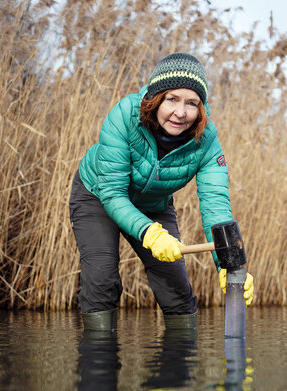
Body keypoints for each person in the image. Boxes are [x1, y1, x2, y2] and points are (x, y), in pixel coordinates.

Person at [69, 52, 254, 332]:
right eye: (172, 99)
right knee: (102, 281)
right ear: (156, 98)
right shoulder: (124, 117)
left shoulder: (207, 142)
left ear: (201, 108)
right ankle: (99, 364)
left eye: (192, 103)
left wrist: (227, 266)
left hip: (154, 204)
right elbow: (113, 195)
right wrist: (149, 232)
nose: (181, 112)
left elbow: (216, 207)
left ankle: (177, 370)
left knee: (178, 293)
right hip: (98, 195)